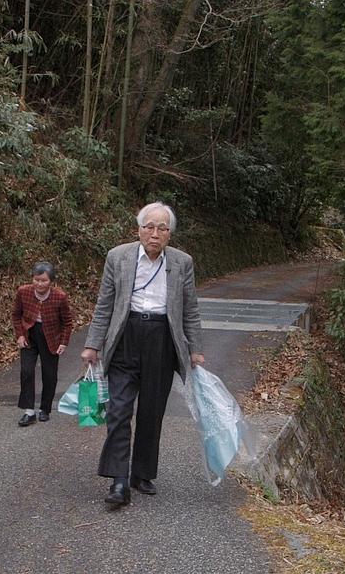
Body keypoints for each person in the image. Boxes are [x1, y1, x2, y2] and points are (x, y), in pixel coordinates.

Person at [80, 202, 204, 505]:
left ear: (169, 234)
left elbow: (190, 309)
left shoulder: (182, 262)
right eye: (149, 227)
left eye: (162, 228)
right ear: (139, 230)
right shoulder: (118, 257)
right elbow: (105, 304)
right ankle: (119, 480)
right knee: (118, 410)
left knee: (151, 411)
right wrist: (92, 345)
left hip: (162, 339)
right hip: (126, 337)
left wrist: (195, 349)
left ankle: (142, 473)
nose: (155, 234)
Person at [12, 261, 74, 427]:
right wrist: (19, 335)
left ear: (51, 281)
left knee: (49, 374)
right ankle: (29, 411)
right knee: (26, 371)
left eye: (44, 280)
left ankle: (45, 409)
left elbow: (67, 322)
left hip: (51, 337)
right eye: (37, 280)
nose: (39, 284)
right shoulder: (23, 292)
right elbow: (16, 315)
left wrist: (63, 342)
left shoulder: (59, 297)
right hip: (29, 335)